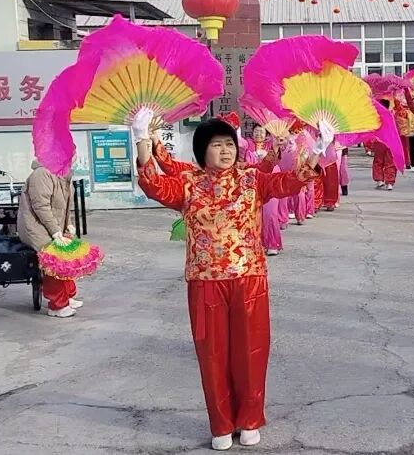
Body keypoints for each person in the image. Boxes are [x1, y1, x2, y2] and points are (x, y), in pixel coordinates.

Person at [134, 111, 331, 450]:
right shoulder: (188, 183)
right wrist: (141, 138)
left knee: (251, 352)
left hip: (249, 277)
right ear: (202, 151)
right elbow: (153, 185)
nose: (225, 151)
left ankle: (250, 419)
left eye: (229, 144)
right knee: (212, 355)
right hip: (205, 280)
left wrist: (318, 150)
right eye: (216, 145)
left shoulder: (252, 180)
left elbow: (289, 181)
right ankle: (221, 425)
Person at [16, 160, 79, 318]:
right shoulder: (42, 174)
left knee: (70, 251)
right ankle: (57, 305)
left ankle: (68, 295)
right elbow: (41, 207)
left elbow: (65, 207)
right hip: (36, 227)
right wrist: (55, 232)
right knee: (54, 258)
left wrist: (68, 225)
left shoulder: (63, 174)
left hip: (53, 226)